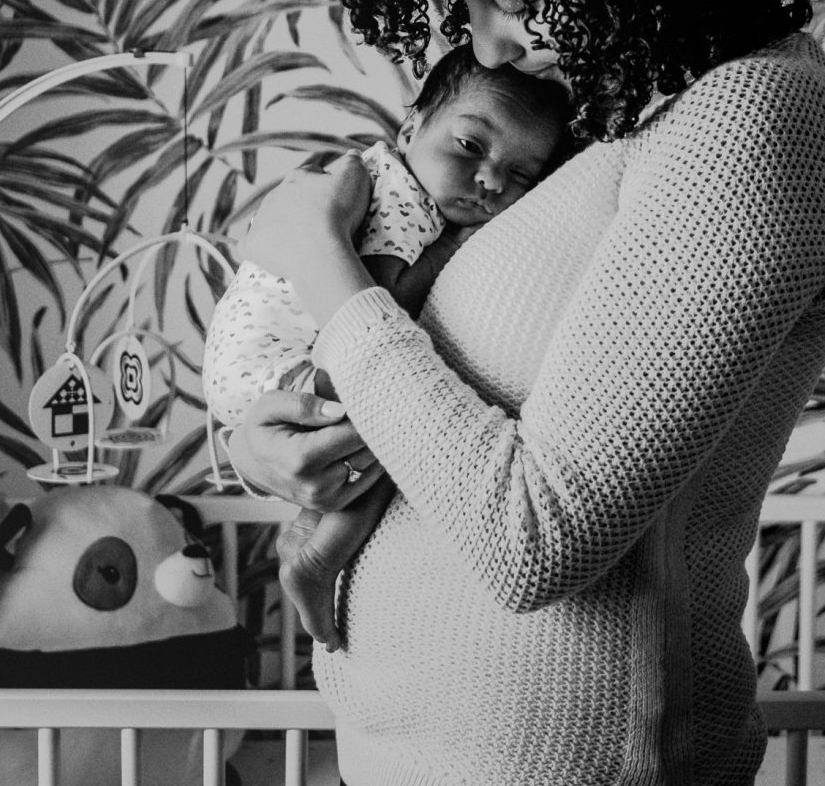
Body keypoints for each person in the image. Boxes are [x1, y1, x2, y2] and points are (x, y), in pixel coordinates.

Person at [225, 0, 825, 786]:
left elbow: (537, 534)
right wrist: (272, 449)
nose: (484, 43)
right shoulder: (610, 122)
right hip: (403, 774)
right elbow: (434, 394)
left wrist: (320, 264)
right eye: (464, 1)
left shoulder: (752, 123)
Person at [203, 44, 572, 645]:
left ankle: (311, 540)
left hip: (255, 366)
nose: (491, 179)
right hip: (277, 361)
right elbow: (371, 308)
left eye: (521, 174)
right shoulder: (399, 198)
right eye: (471, 146)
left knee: (387, 426)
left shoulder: (392, 186)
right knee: (395, 425)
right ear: (411, 127)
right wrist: (453, 250)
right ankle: (317, 555)